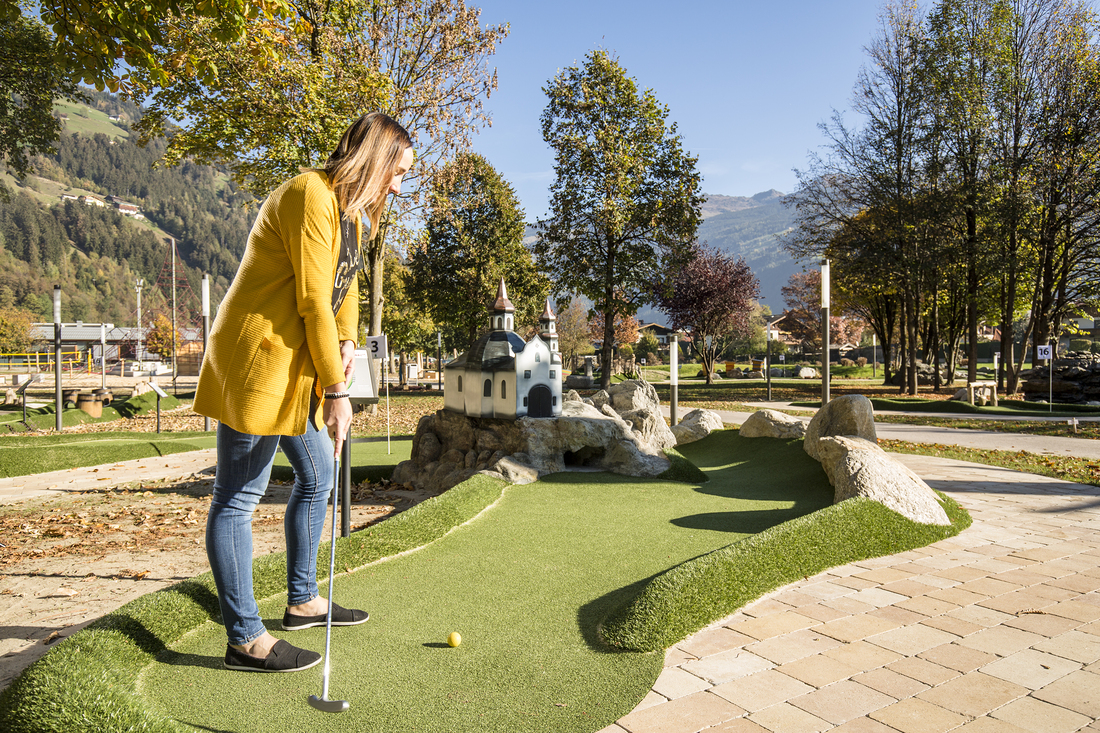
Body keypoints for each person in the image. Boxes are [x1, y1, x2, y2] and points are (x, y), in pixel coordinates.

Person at [194, 113, 414, 672]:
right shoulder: (308, 194)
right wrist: (339, 392)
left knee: (319, 475)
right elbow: (314, 300)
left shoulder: (355, 218)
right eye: (397, 172)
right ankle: (244, 638)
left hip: (300, 367)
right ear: (375, 160)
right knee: (238, 496)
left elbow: (345, 295)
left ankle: (302, 601)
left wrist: (346, 344)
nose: (399, 184)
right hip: (260, 358)